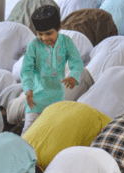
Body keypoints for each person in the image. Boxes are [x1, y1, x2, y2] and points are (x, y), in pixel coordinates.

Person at [20, 5, 84, 136]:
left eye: (49, 33)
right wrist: (28, 88)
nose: (44, 38)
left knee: (52, 134)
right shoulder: (33, 45)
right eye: (40, 34)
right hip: (35, 99)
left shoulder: (66, 42)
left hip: (57, 99)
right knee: (28, 133)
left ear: (58, 28)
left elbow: (76, 62)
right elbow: (26, 69)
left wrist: (73, 76)